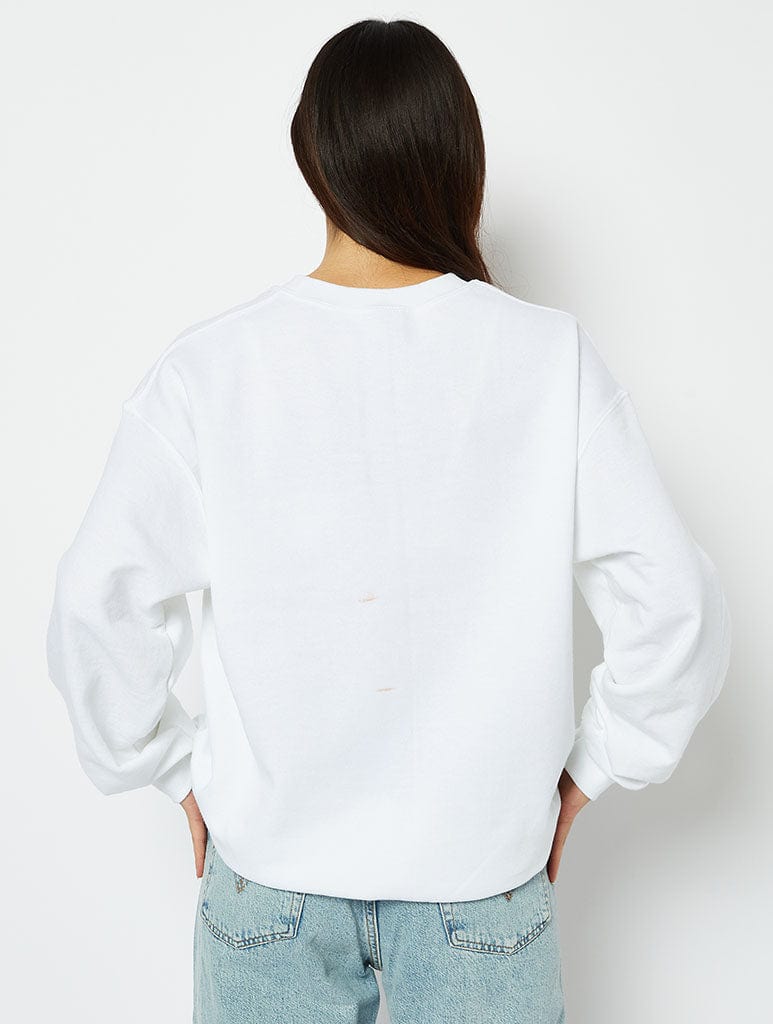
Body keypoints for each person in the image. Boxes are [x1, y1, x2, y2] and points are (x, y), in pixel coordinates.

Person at [45, 17, 732, 1024]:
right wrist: (593, 766)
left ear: (312, 158)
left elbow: (94, 604)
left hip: (267, 890)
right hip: (479, 893)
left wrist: (168, 768)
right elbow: (673, 606)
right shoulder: (548, 359)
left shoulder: (211, 370)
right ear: (459, 162)